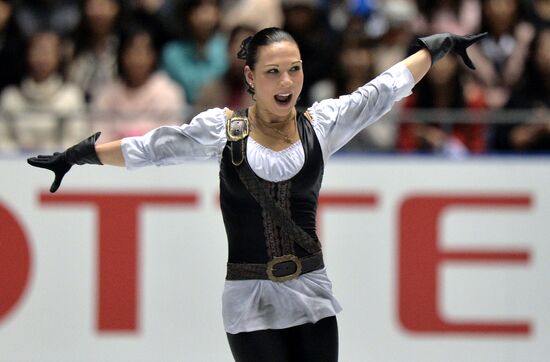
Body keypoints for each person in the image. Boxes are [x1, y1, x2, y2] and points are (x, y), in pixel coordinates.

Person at [27, 27, 485, 362]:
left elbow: (382, 91)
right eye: (273, 72)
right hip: (249, 298)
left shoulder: (320, 125)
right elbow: (154, 147)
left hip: (311, 291)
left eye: (294, 69)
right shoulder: (225, 130)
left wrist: (436, 47)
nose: (287, 83)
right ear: (249, 77)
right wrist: (79, 155)